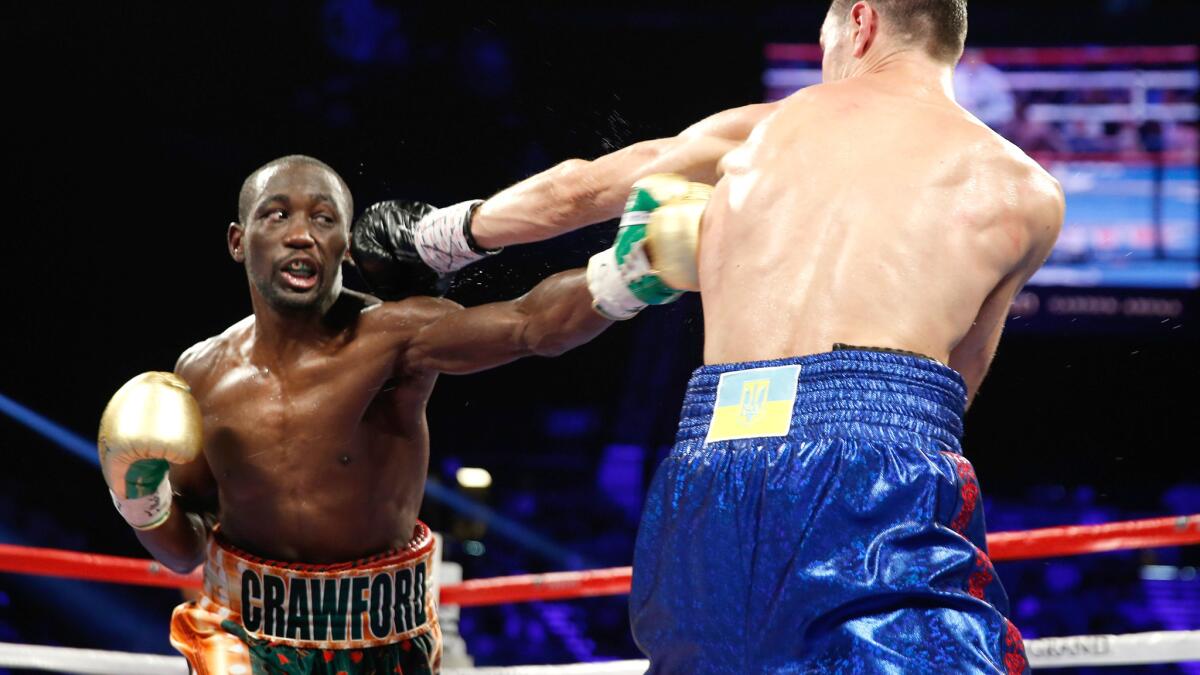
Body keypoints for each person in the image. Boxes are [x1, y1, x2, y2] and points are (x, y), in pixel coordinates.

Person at [94, 152, 710, 675]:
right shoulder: (199, 372)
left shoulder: (392, 338)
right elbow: (185, 550)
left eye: (325, 219)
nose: (302, 232)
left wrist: (624, 275)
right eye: (277, 214)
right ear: (238, 239)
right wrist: (138, 497)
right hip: (244, 636)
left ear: (344, 244)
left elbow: (528, 325)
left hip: (382, 639)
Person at [613, 1, 1065, 672]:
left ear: (860, 22)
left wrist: (450, 233)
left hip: (709, 457)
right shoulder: (1023, 187)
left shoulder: (761, 136)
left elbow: (575, 190)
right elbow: (956, 383)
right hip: (873, 450)